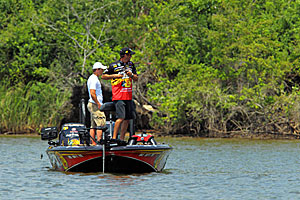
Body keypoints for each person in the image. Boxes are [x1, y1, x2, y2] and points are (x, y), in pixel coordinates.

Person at [102, 47, 138, 141]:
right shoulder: (113, 65)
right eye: (129, 55)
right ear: (124, 55)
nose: (130, 57)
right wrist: (115, 76)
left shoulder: (131, 64)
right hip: (119, 96)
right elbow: (103, 76)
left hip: (128, 96)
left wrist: (131, 75)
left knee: (127, 118)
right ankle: (114, 138)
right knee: (120, 118)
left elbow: (136, 78)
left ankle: (121, 139)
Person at [87, 62, 107, 145]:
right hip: (95, 104)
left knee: (93, 125)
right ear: (97, 70)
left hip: (92, 104)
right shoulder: (94, 79)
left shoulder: (92, 78)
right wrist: (98, 103)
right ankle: (99, 142)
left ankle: (93, 143)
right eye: (101, 70)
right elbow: (92, 93)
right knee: (101, 122)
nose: (102, 71)